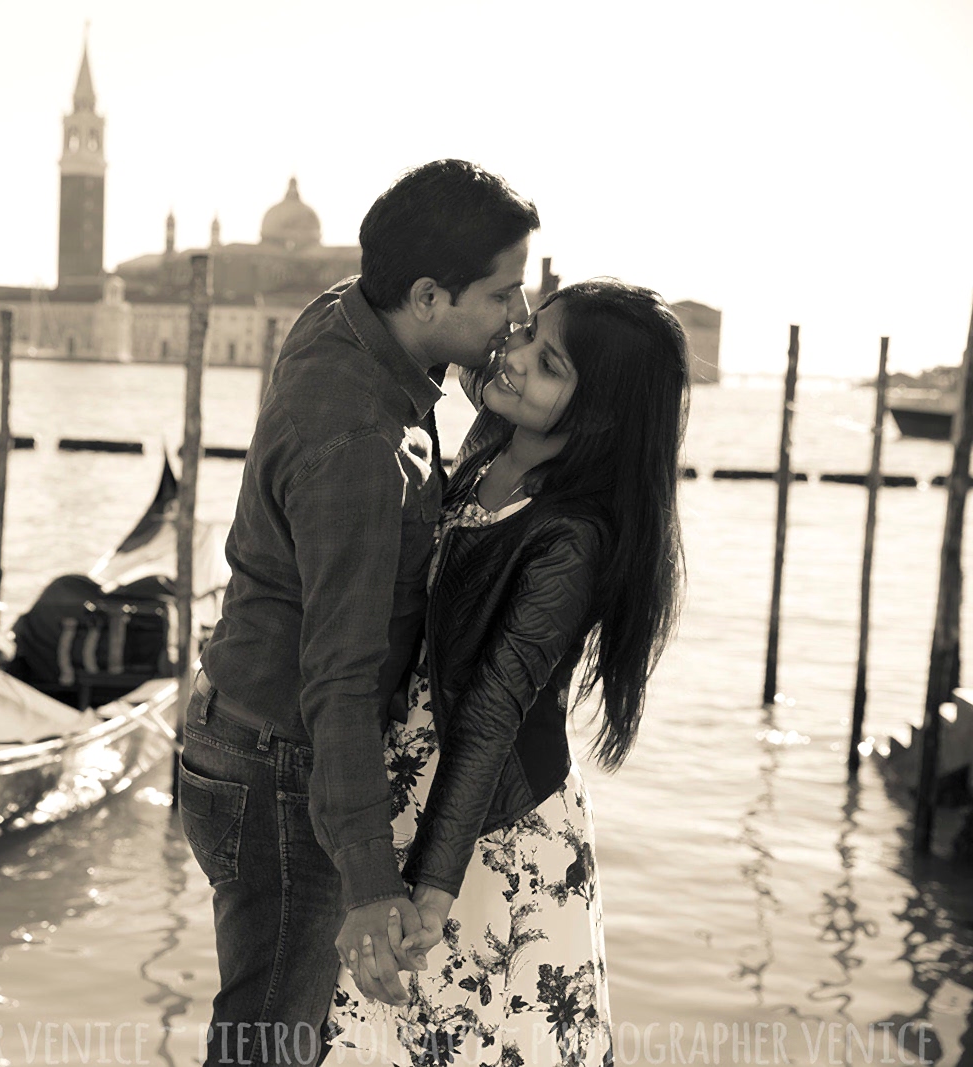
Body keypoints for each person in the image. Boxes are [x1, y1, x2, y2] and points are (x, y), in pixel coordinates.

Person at [177, 159, 539, 1066]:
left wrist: (458, 367)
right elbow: (337, 681)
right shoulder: (359, 447)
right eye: (502, 296)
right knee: (269, 1047)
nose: (520, 319)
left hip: (234, 734)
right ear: (426, 294)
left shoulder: (343, 318)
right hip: (280, 767)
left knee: (263, 1031)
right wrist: (374, 888)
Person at [325, 279, 692, 1065]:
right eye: (527, 332)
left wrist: (432, 883)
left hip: (487, 832)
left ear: (600, 412)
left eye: (549, 363)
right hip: (410, 784)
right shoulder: (495, 445)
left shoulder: (572, 538)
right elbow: (447, 351)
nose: (517, 358)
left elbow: (493, 711)